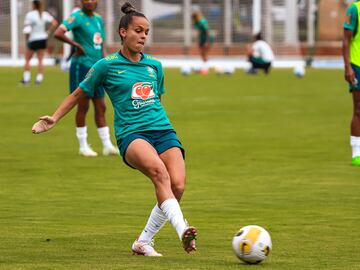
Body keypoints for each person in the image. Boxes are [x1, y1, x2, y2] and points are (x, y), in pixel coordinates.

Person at [32, 2, 197, 256]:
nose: (143, 36)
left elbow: (157, 101)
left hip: (163, 131)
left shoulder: (155, 66)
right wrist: (53, 118)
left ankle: (143, 242)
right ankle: (182, 231)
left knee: (178, 186)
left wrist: (161, 128)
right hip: (132, 134)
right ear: (123, 32)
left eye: (146, 32)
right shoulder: (106, 65)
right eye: (138, 31)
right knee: (159, 174)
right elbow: (78, 94)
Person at [54, 0, 118, 157]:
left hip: (97, 67)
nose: (89, 2)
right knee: (83, 105)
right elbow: (58, 32)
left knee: (101, 106)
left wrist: (107, 63)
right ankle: (83, 146)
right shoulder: (77, 16)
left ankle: (107, 145)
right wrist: (75, 45)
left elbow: (101, 45)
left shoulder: (98, 18)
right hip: (81, 65)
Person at [21, 0, 58, 85]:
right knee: (40, 60)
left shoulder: (30, 15)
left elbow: (27, 29)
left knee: (27, 59)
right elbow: (55, 23)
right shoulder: (44, 14)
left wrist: (27, 40)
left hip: (33, 39)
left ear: (33, 5)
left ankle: (26, 80)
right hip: (42, 39)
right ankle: (39, 79)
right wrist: (48, 32)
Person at [343, 0, 360, 166]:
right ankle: (357, 152)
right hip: (358, 65)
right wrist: (347, 67)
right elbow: (346, 40)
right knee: (359, 109)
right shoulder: (355, 9)